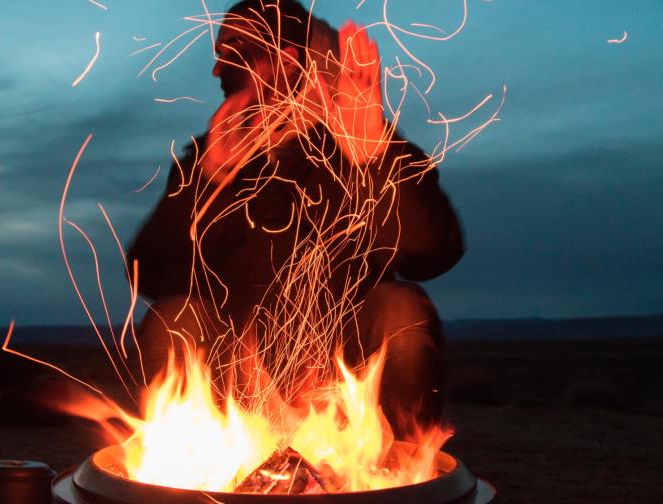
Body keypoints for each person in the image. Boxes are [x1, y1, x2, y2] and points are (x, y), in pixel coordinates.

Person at [128, 0, 464, 435]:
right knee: (173, 320)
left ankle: (397, 475)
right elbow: (148, 275)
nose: (217, 70)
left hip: (348, 382)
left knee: (402, 309)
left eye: (235, 50)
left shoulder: (361, 140)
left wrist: (375, 154)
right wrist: (207, 181)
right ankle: (190, 479)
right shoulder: (206, 161)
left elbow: (433, 252)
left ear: (287, 56)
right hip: (238, 383)